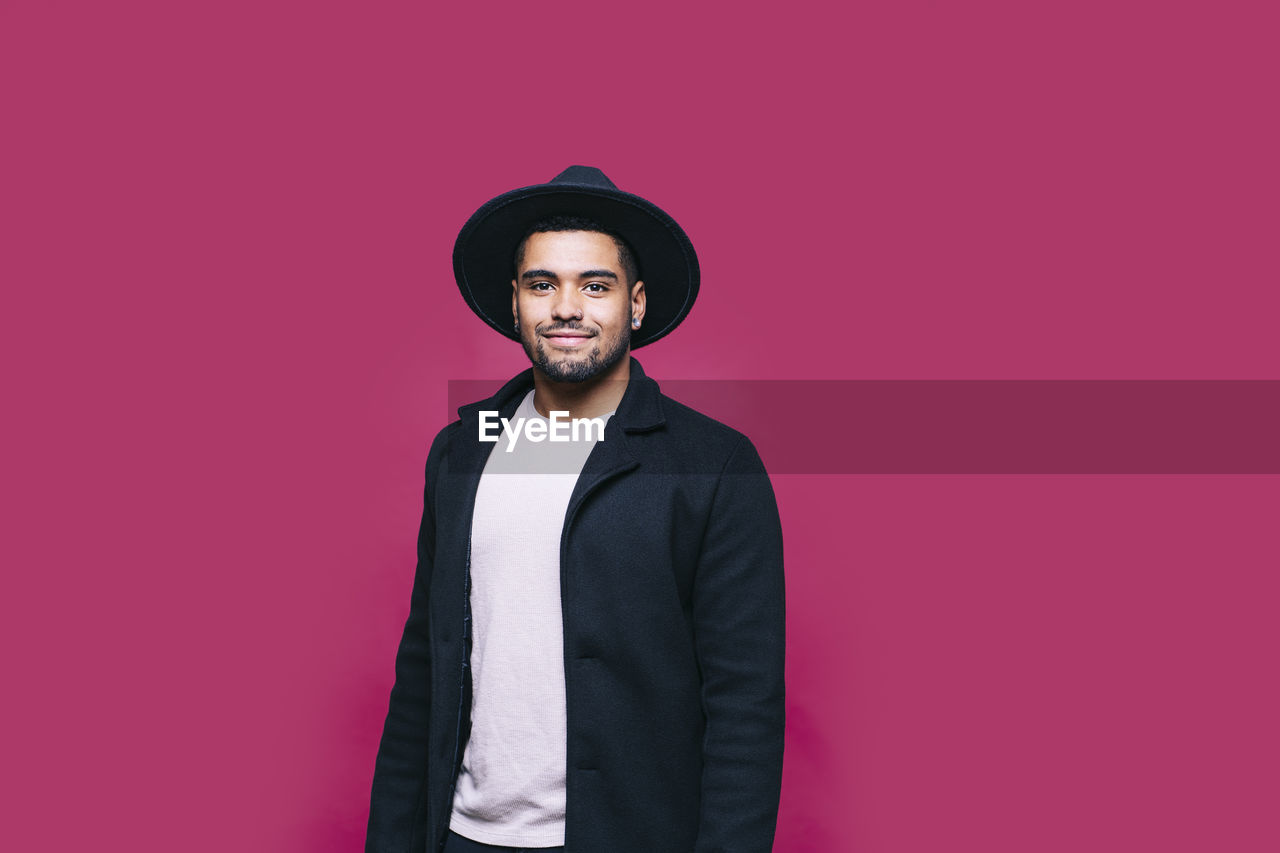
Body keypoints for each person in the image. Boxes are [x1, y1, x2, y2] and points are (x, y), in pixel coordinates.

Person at [366, 166, 785, 853]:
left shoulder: (715, 464)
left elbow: (745, 707)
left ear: (637, 303)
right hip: (462, 836)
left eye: (595, 285)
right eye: (542, 284)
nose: (567, 307)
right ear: (515, 302)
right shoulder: (460, 453)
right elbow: (422, 675)